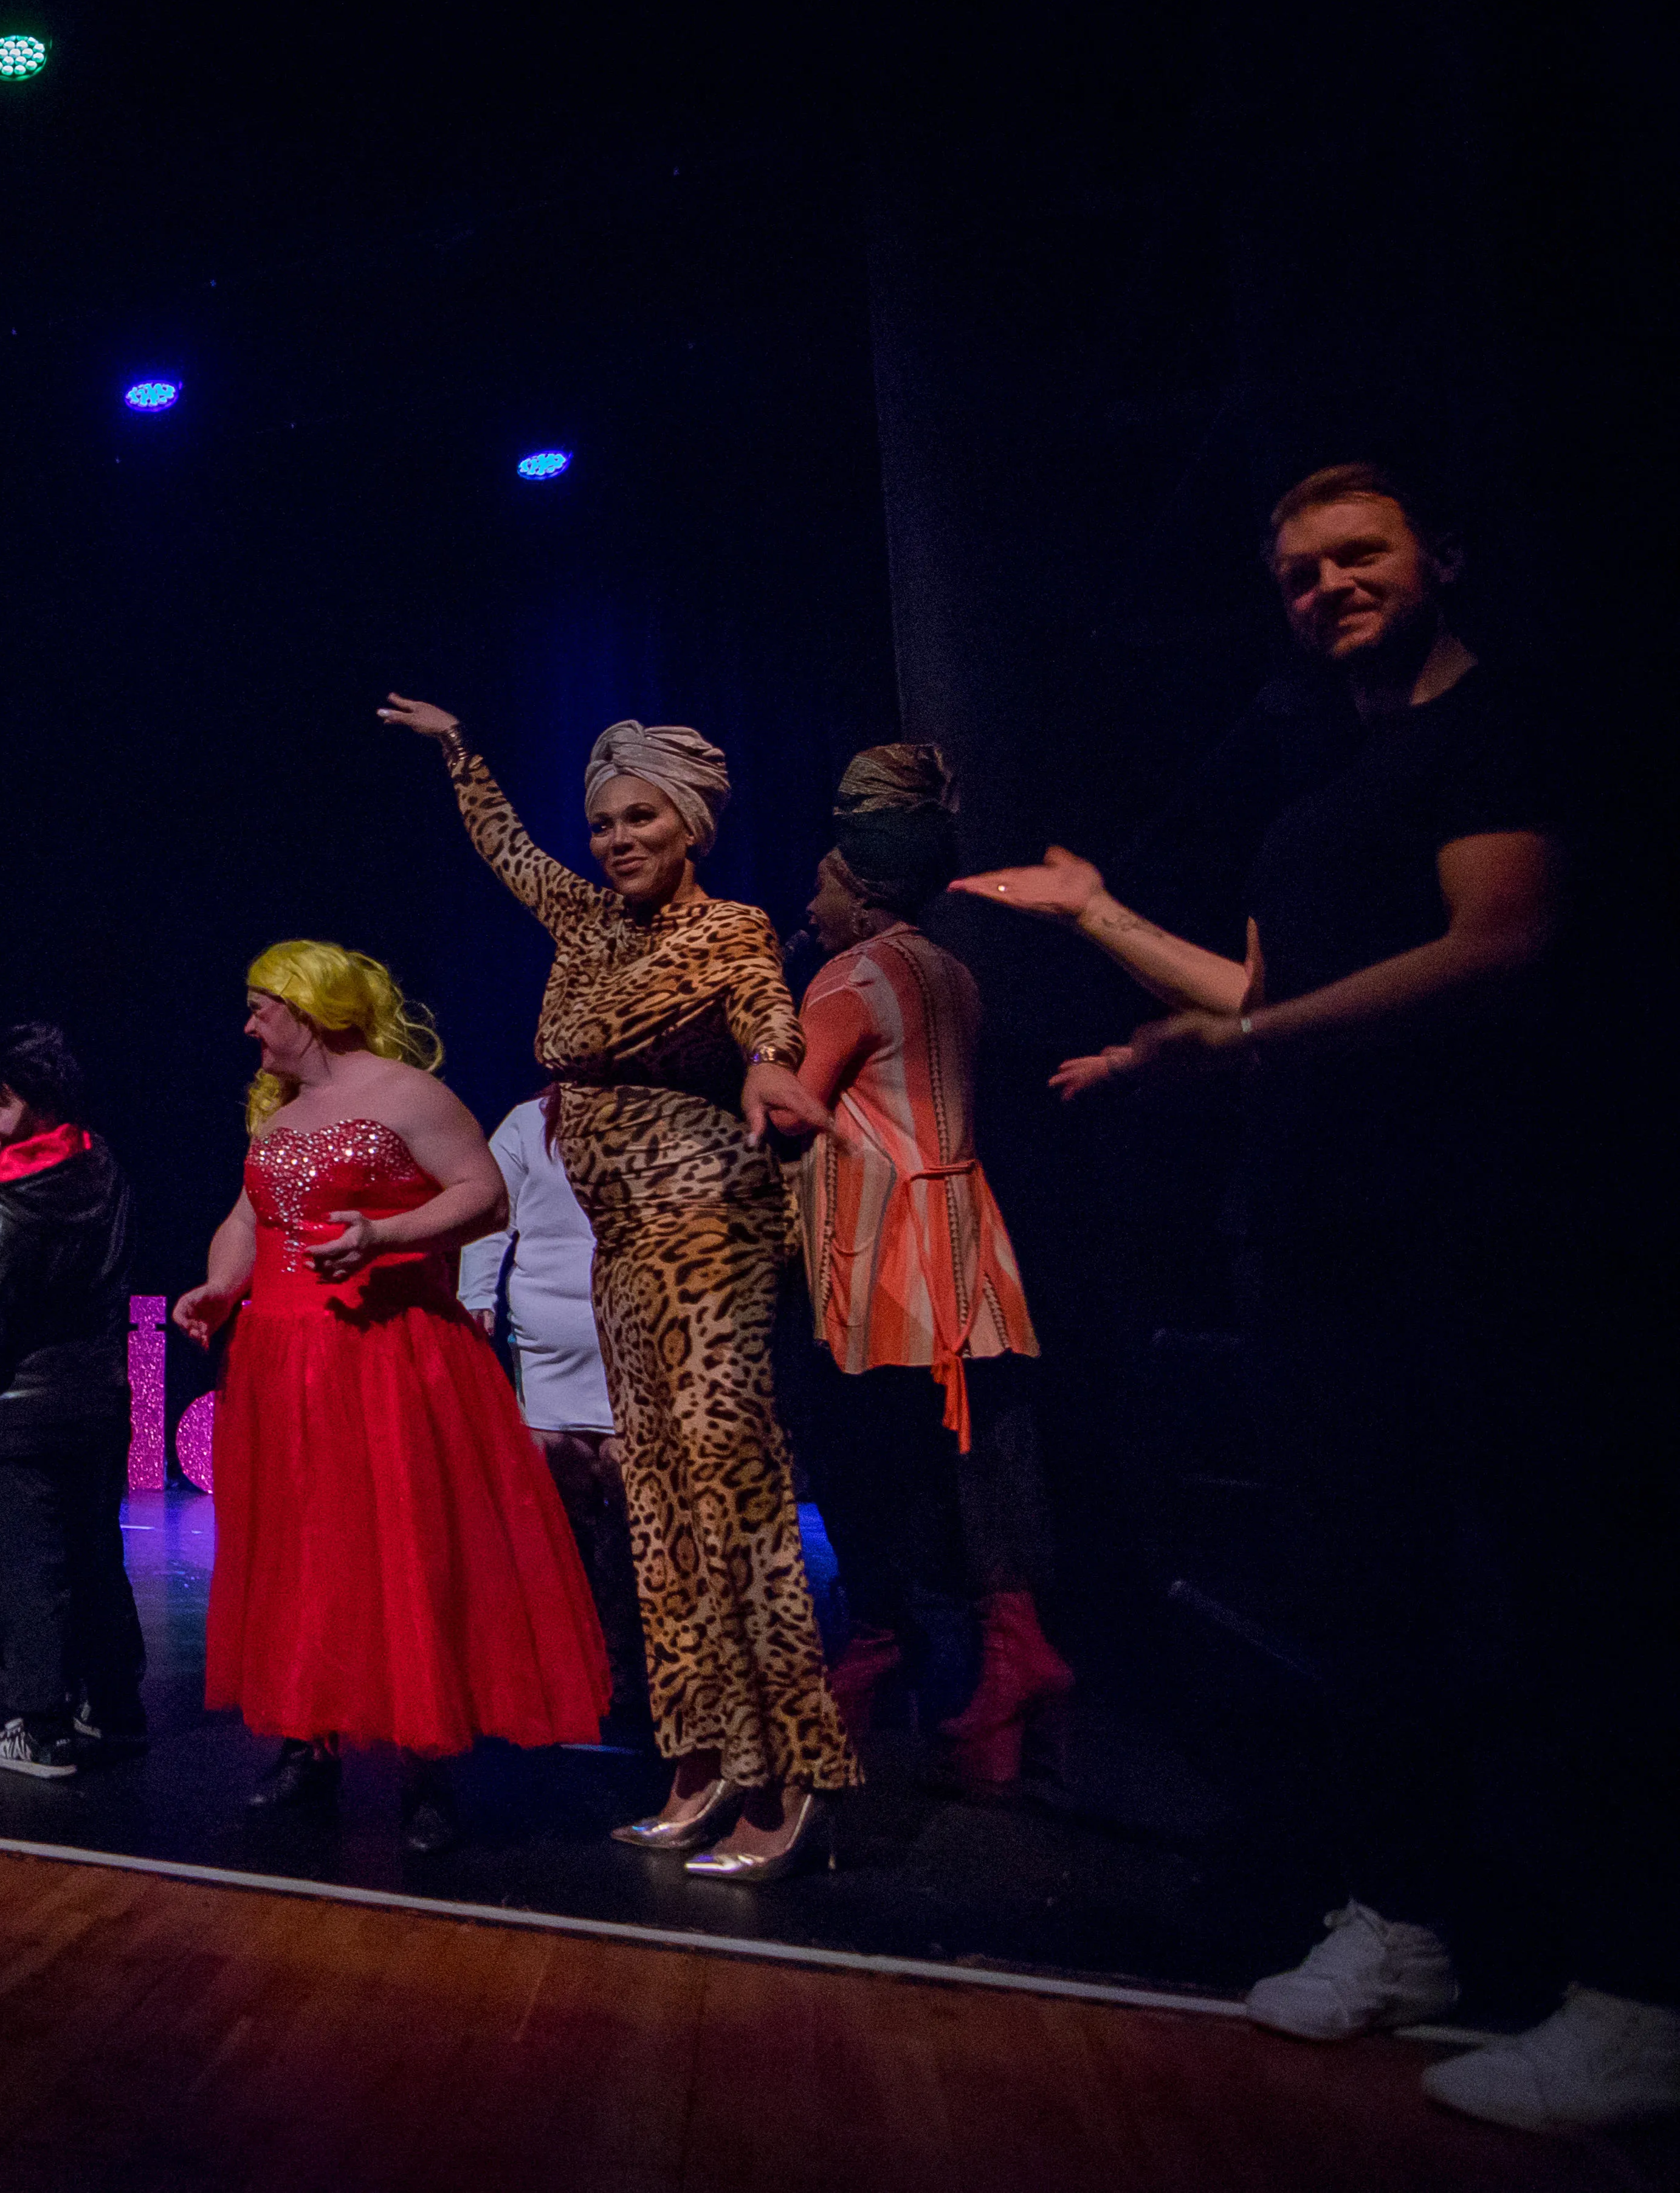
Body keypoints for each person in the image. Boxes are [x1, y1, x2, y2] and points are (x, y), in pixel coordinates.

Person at [958, 466, 1672, 2132]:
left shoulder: (1496, 727)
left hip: (1482, 1225)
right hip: (1314, 1231)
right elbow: (1267, 991)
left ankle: (1633, 1986)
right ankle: (1407, 1920)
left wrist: (1249, 1042)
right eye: (1297, 570)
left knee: (1559, 1597)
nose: (1328, 584)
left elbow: (1501, 937)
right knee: (1366, 1596)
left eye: (1360, 554)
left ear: (1442, 558)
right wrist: (1109, 923)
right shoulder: (1315, 770)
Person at [389, 694, 850, 1880]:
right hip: (624, 1251)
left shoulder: (734, 929)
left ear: (690, 822)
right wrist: (461, 754)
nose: (618, 838)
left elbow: (765, 1019)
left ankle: (785, 1774)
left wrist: (774, 1073)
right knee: (656, 1517)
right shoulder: (584, 921)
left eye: (642, 815)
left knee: (729, 1505)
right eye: (603, 821)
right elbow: (507, 851)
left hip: (711, 1235)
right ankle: (697, 1757)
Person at [174, 947, 610, 1846]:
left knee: (401, 1546)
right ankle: (308, 1741)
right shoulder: (278, 1116)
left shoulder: (410, 1095)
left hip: (386, 1355)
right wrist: (222, 1287)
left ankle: (427, 1771)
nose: (250, 1026)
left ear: (312, 1007)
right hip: (284, 1358)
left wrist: (384, 1235)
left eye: (263, 1007)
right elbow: (249, 1218)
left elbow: (487, 1199)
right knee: (301, 1547)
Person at [787, 748, 1055, 1780]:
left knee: (864, 1444)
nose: (810, 902)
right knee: (977, 1441)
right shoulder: (953, 970)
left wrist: (757, 1058)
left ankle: (878, 1640)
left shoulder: (849, 975)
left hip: (882, 1235)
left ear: (860, 891)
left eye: (822, 884)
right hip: (961, 1221)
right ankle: (1008, 1648)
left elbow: (800, 1104)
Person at [0, 1023, 145, 1780]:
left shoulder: (0, 1201)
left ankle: (42, 1725)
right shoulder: (103, 1167)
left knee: (18, 1569)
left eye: (0, 1105)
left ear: (42, 1103)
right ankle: (112, 1706)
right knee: (92, 1557)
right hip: (96, 1404)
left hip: (12, 1412)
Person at [454, 1093, 644, 1724]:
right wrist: (476, 1293)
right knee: (563, 1510)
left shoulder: (647, 1113)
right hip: (547, 1339)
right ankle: (570, 1662)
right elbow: (489, 1212)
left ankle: (629, 1663)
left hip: (635, 1336)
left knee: (632, 1508)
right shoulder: (527, 1122)